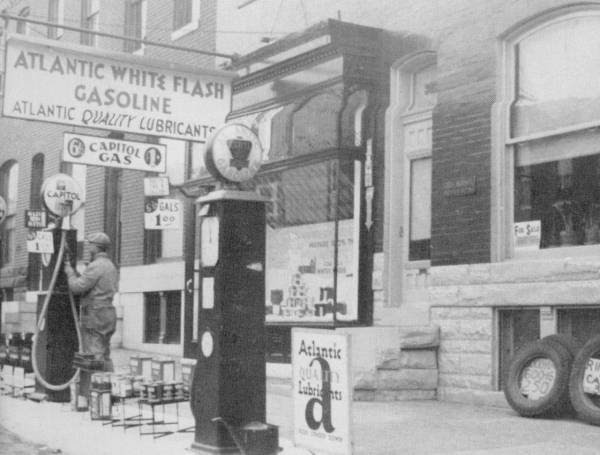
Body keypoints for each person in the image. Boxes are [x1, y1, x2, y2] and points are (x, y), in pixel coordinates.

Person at [63, 232, 118, 372]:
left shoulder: (96, 265)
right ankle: (108, 387)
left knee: (94, 354)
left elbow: (76, 287)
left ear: (96, 247)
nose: (88, 248)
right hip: (108, 312)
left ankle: (96, 388)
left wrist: (69, 272)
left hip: (95, 313)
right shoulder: (111, 265)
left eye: (90, 245)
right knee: (105, 353)